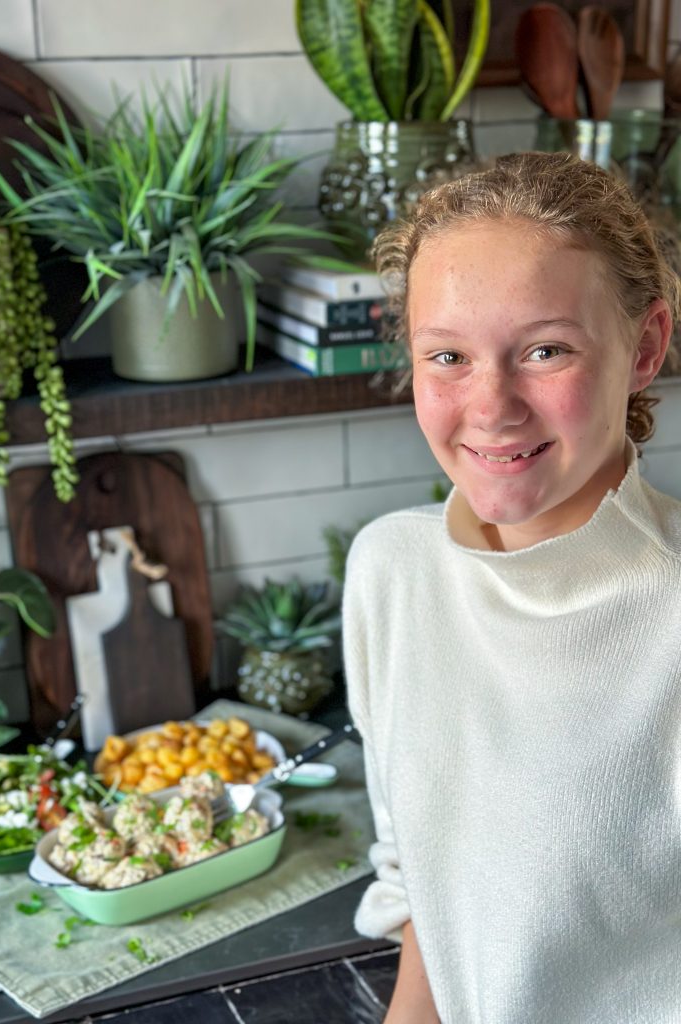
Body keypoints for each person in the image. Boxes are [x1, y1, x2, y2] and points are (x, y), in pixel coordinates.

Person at [342, 151, 681, 1024]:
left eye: (545, 349)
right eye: (448, 355)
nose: (490, 406)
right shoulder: (391, 573)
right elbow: (431, 899)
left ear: (645, 347)